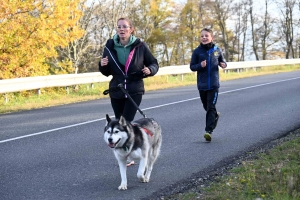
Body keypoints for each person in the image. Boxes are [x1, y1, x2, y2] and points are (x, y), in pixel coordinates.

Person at [99, 17, 159, 165]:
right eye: (119, 27)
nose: (121, 29)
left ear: (131, 29)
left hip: (134, 89)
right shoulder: (110, 45)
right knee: (119, 123)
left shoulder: (140, 46)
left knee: (125, 121)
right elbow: (105, 71)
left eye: (125, 26)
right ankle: (125, 152)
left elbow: (154, 64)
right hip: (117, 89)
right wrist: (102, 65)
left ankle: (128, 153)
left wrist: (149, 70)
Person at [190, 28, 227, 142]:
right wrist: (200, 65)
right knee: (207, 107)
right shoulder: (197, 52)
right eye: (202, 36)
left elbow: (223, 61)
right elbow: (192, 67)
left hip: (214, 85)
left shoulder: (217, 50)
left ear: (212, 38)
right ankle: (215, 116)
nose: (204, 38)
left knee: (210, 107)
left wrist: (223, 64)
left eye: (206, 35)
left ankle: (208, 131)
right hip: (202, 85)